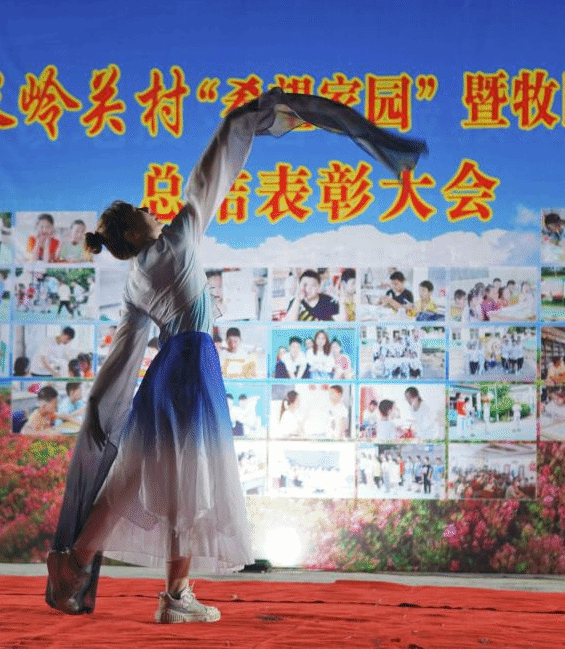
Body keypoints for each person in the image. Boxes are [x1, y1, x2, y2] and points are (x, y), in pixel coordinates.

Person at [45, 88, 427, 621]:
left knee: (131, 478)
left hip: (162, 376)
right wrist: (240, 123)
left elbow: (124, 355)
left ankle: (75, 564)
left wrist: (99, 409)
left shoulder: (134, 281)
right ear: (135, 229)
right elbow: (212, 173)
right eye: (145, 211)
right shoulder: (177, 241)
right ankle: (175, 597)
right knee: (189, 484)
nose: (156, 210)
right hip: (191, 371)